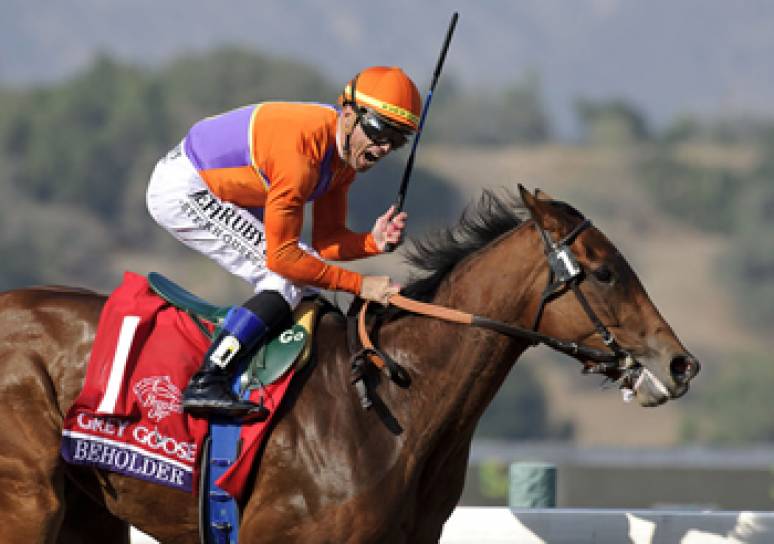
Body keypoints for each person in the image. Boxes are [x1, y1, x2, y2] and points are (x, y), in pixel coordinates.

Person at [146, 66, 420, 420]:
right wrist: (361, 285)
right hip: (184, 189)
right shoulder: (301, 158)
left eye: (397, 141)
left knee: (304, 274)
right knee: (285, 278)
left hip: (223, 187)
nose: (384, 148)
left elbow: (327, 241)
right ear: (349, 114)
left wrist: (372, 241)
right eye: (380, 131)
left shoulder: (343, 157)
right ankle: (208, 379)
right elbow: (282, 259)